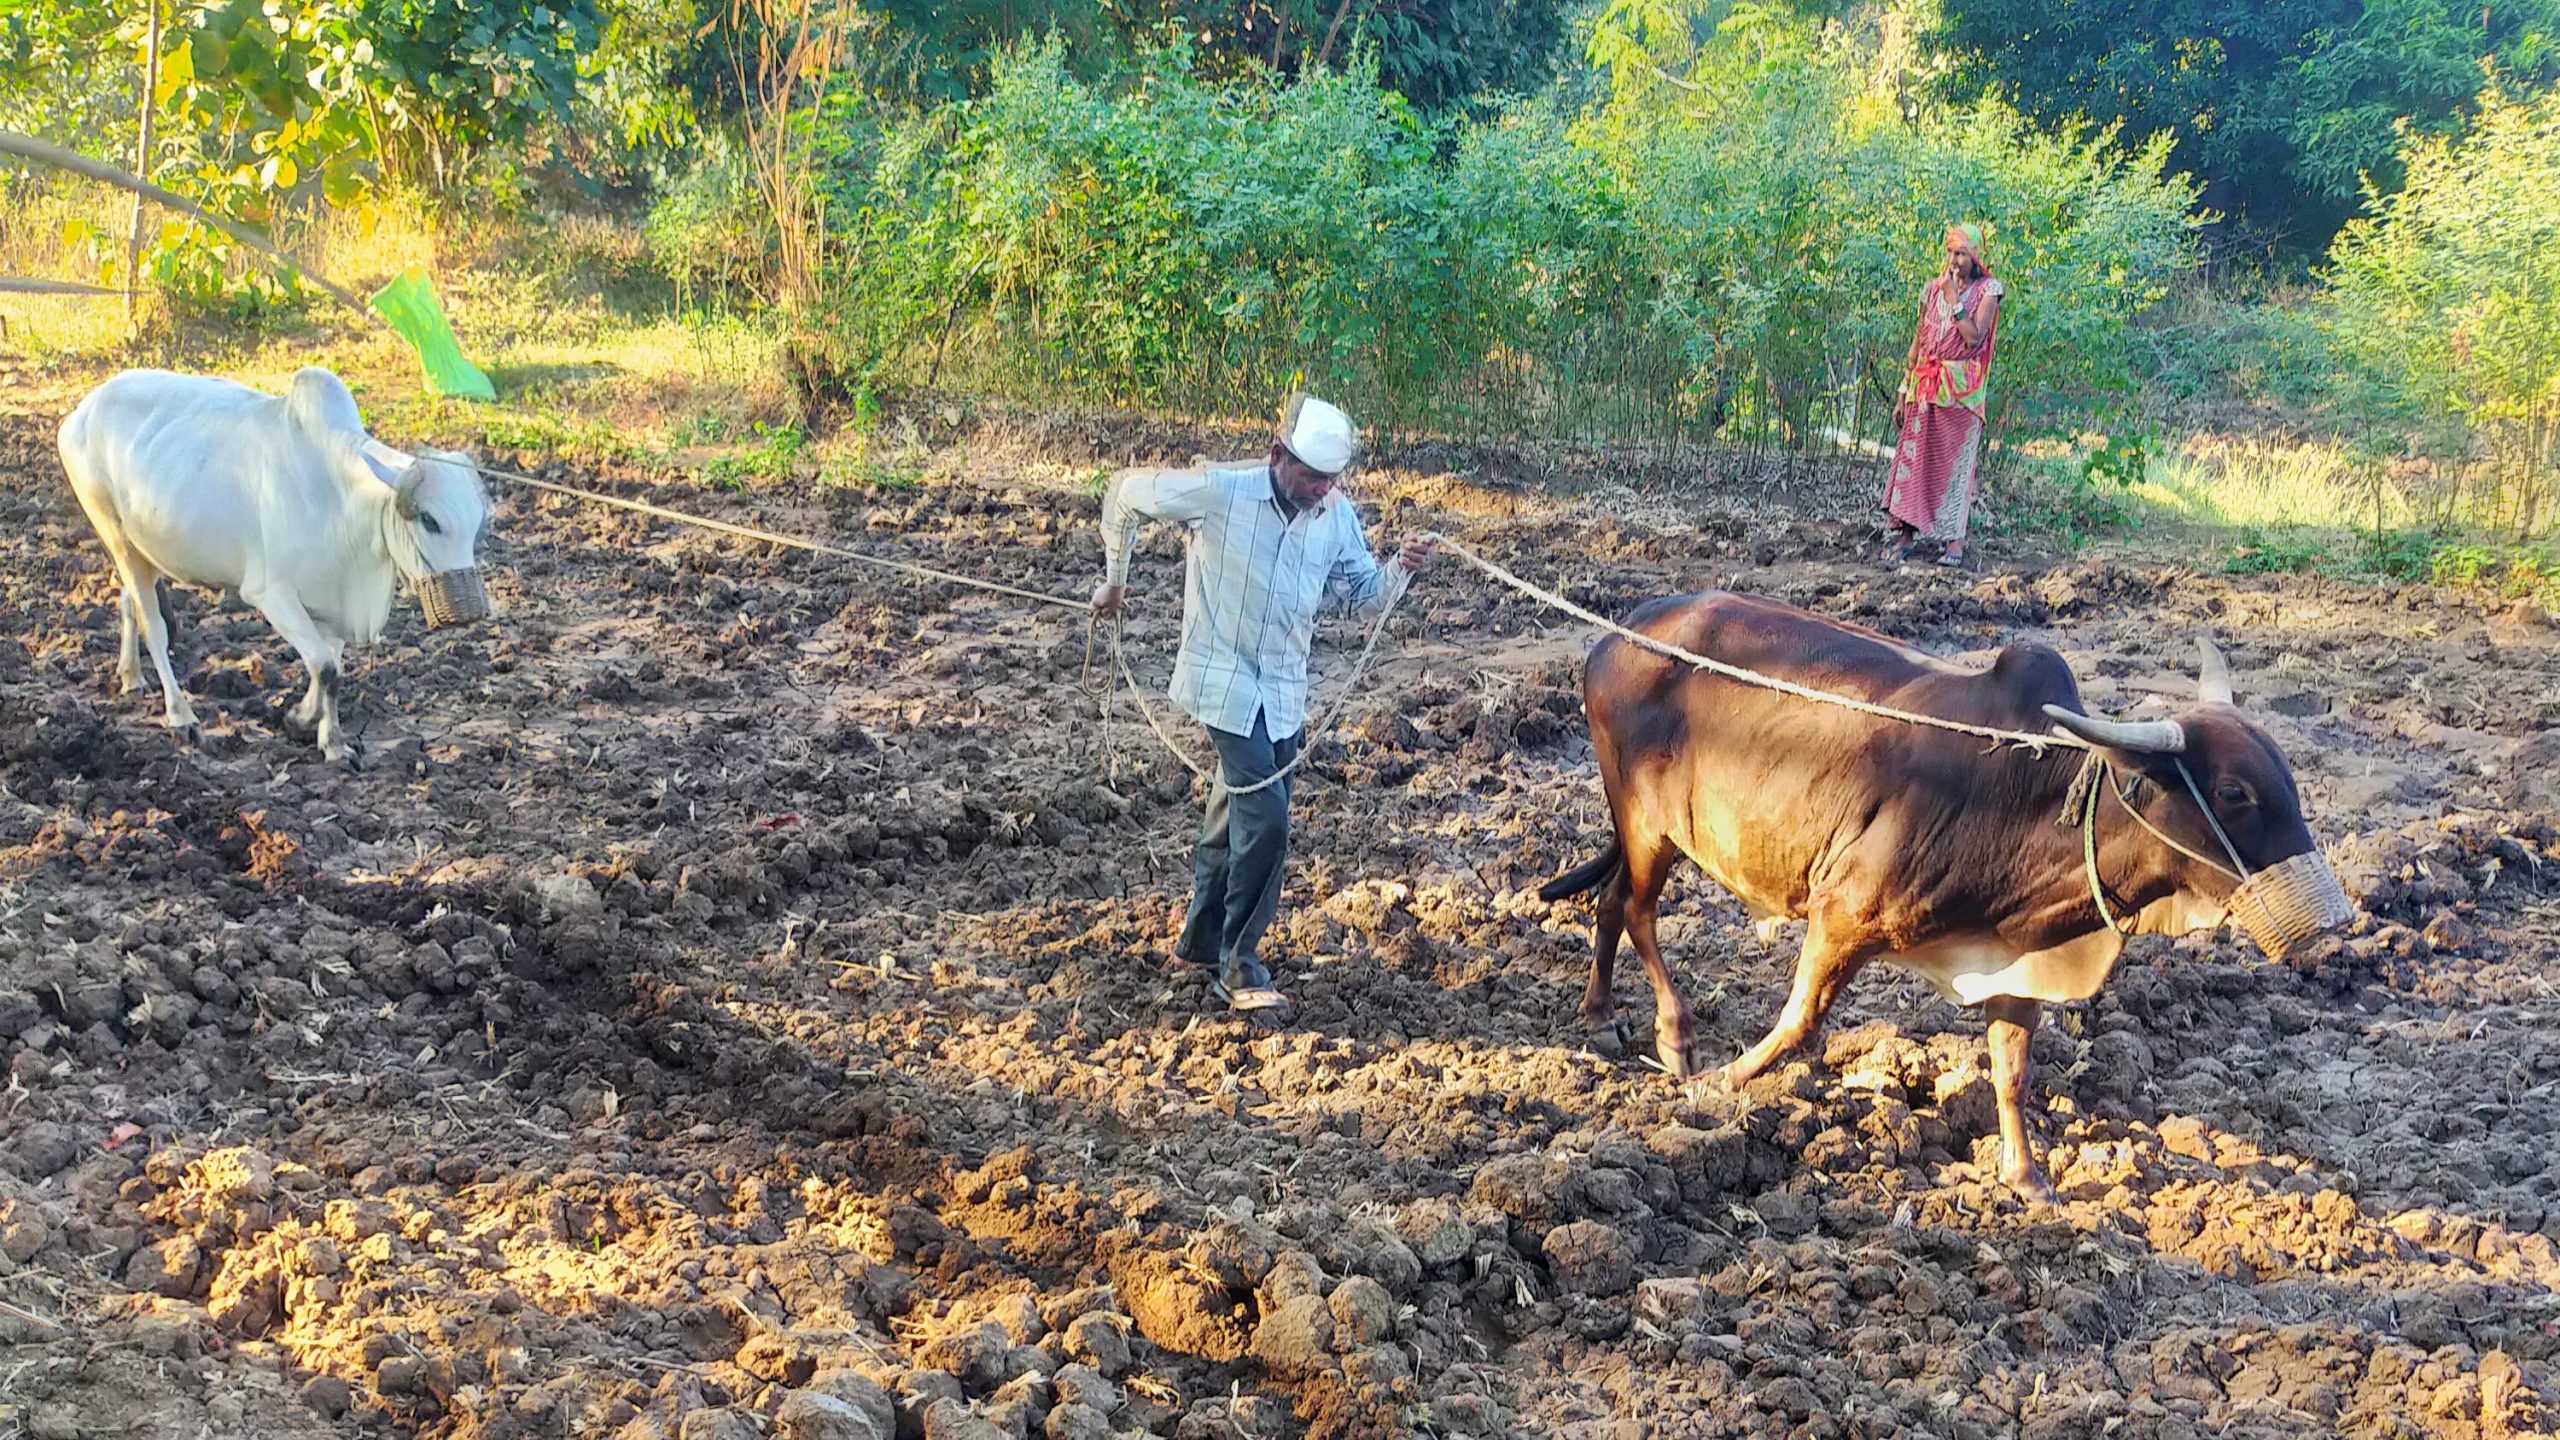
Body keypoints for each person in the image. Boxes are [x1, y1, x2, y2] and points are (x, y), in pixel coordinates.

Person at [1092, 395, 1435, 1012]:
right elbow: (1123, 492)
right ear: (1278, 457)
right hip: (1222, 683)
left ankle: (1199, 941)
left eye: (1331, 478)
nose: (1321, 489)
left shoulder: (1334, 513)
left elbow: (1360, 595)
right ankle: (1238, 963)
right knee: (1268, 823)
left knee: (1233, 816)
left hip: (1284, 691)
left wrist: (1398, 570)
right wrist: (1115, 582)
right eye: (1310, 476)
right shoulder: (1220, 491)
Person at [1880, 221, 2005, 569]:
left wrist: (1955, 302)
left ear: (1975, 256)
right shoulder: (1932, 288)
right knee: (1914, 462)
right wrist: (1904, 389)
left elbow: (1974, 337)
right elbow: (1919, 340)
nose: (1955, 260)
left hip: (1962, 392)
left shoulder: (1988, 290)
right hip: (1925, 386)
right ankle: (1906, 536)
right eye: (1951, 252)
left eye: (1962, 253)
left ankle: (1954, 543)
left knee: (1955, 467)